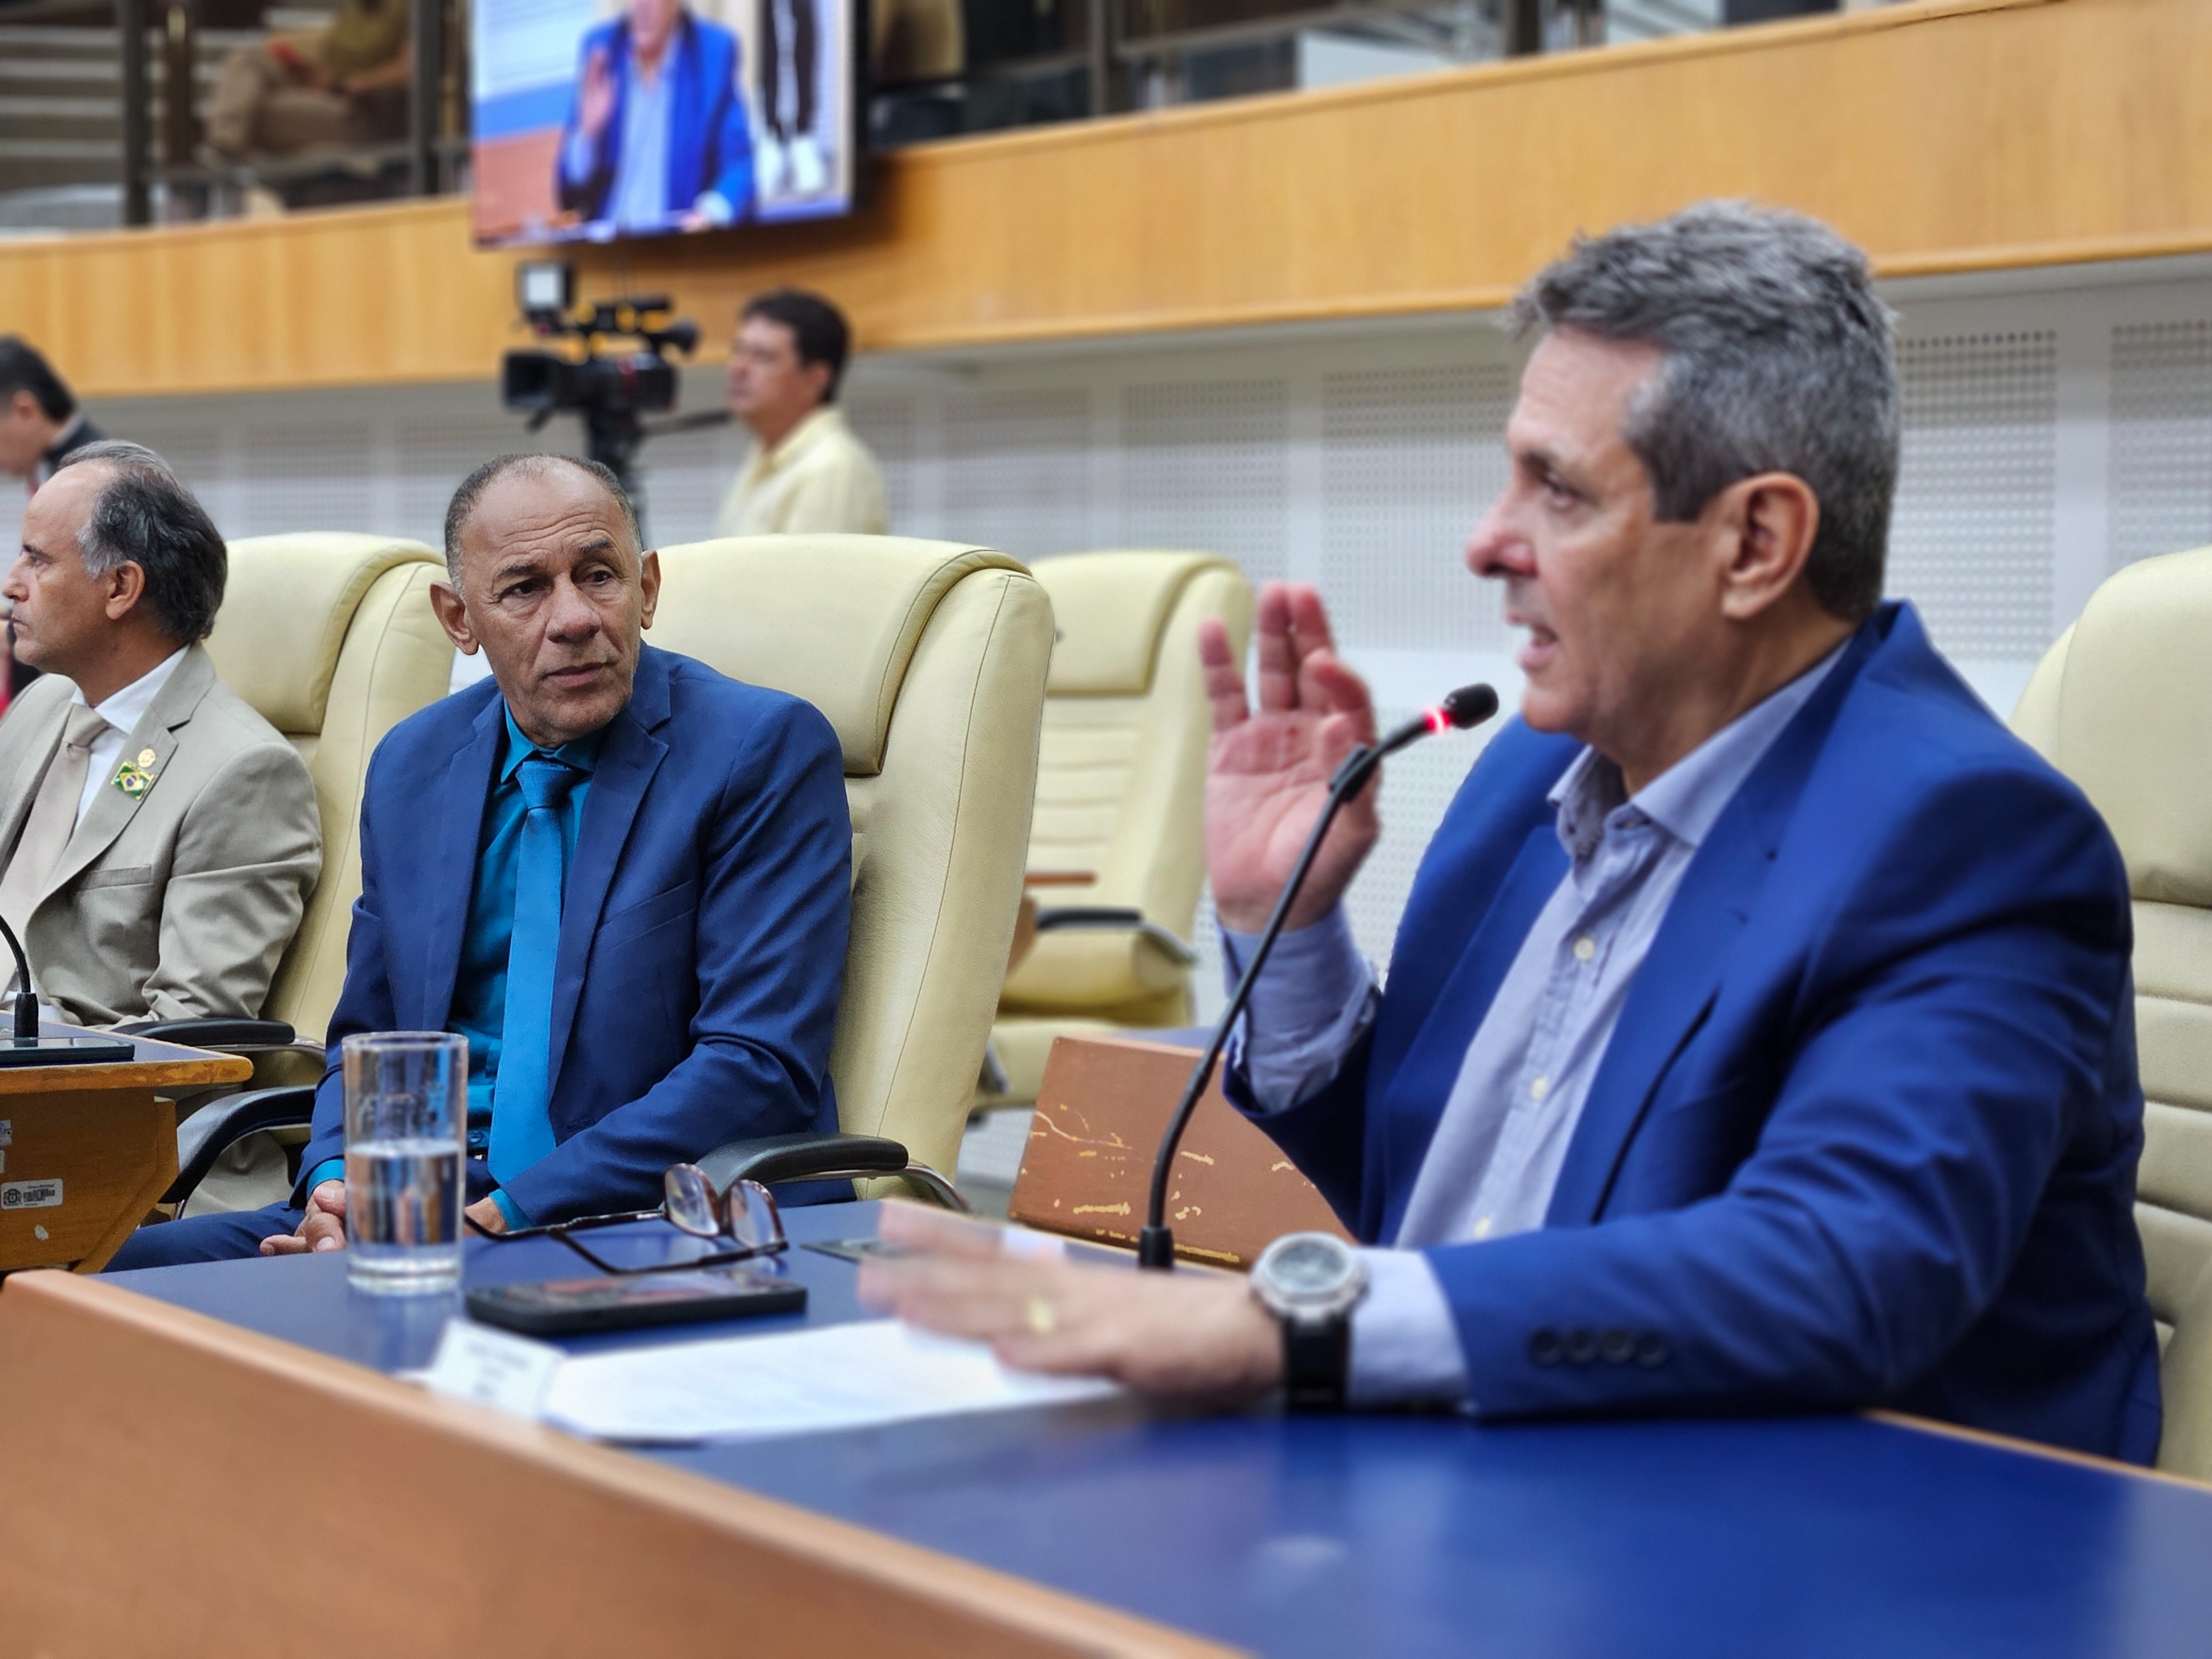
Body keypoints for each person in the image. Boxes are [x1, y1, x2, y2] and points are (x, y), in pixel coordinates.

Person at [860, 202, 2162, 1463]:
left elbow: (1840, 1268)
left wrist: (1276, 1324)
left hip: (1828, 1542)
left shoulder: (1965, 837)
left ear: (1755, 542)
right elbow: (1430, 1197)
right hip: (1484, 1472)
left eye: (1559, 490)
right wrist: (1290, 927)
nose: (1488, 541)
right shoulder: (1528, 774)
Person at [108, 453, 851, 1267]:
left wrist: (502, 1216)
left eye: (599, 576)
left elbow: (756, 1065)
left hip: (646, 1217)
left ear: (646, 588)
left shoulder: (758, 749)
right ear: (458, 619)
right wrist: (334, 1187)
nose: (573, 618)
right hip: (427, 1202)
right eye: (525, 589)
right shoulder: (415, 765)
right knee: (82, 1278)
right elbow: (372, 1036)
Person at [0, 442, 320, 1028]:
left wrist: (28, 1055)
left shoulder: (244, 771)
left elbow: (189, 1029)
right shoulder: (40, 707)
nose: (11, 584)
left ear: (120, 587)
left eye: (36, 560)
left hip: (62, 1077)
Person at [556, 0, 755, 234]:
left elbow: (740, 166)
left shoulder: (712, 54)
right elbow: (569, 197)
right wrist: (587, 137)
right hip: (608, 243)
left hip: (674, 244)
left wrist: (710, 214)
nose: (641, 5)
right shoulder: (603, 51)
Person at [714, 289, 888, 538]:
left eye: (763, 356)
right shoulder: (762, 456)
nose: (739, 367)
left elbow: (815, 565)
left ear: (815, 379)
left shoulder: (831, 466)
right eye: (739, 350)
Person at [0, 336, 106, 704]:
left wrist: (11, 634)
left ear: (25, 409)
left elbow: (87, 602)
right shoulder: (60, 468)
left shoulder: (91, 475)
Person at [202, 0, 411, 163]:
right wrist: (312, 71)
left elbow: (411, 69)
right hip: (329, 90)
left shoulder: (409, 8)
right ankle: (224, 145)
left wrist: (352, 84)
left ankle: (225, 149)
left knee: (254, 112)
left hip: (363, 112)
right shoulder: (356, 8)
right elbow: (335, 56)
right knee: (246, 57)